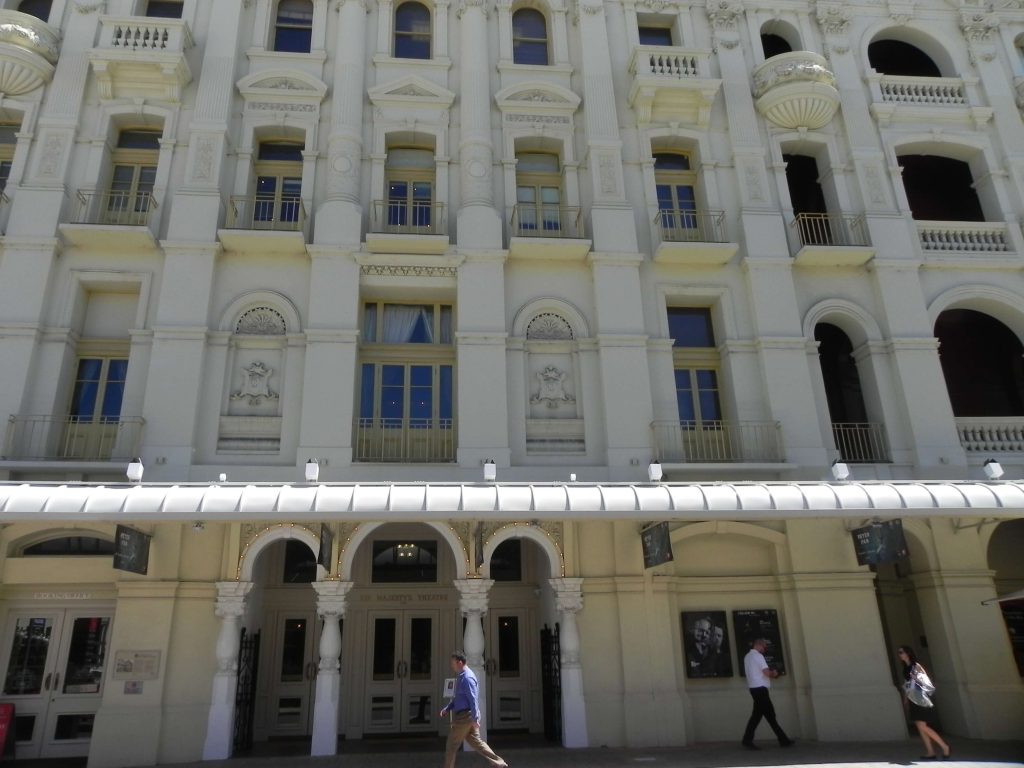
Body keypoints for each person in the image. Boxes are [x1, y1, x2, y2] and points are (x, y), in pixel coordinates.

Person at [439, 651, 508, 768]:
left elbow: (473, 699)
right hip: (468, 716)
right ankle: (499, 763)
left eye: (453, 663)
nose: (452, 666)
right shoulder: (462, 676)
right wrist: (448, 708)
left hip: (465, 717)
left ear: (460, 663)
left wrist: (475, 718)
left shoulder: (467, 678)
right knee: (477, 743)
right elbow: (459, 698)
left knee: (451, 744)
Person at [897, 645, 951, 760]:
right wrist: (906, 699)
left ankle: (944, 746)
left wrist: (916, 678)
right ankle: (930, 752)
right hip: (913, 698)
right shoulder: (905, 668)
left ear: (908, 653)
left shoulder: (916, 666)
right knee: (920, 726)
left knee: (922, 726)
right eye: (899, 653)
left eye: (901, 652)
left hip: (920, 698)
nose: (900, 654)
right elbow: (907, 684)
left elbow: (924, 681)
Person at [741, 638, 794, 749]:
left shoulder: (747, 657)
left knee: (758, 716)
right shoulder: (759, 657)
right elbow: (766, 672)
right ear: (759, 645)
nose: (765, 650)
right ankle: (783, 740)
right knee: (769, 715)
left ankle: (748, 739)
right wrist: (774, 673)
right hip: (761, 689)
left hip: (753, 688)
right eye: (764, 647)